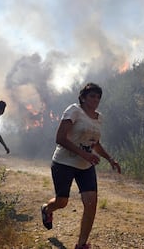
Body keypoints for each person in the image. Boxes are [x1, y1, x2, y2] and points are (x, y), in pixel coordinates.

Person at [41, 83, 121, 249]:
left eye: (98, 97)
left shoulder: (99, 118)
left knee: (91, 203)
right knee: (62, 202)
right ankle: (47, 209)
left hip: (86, 166)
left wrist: (110, 159)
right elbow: (60, 138)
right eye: (92, 96)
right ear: (83, 97)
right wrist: (84, 154)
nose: (96, 99)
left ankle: (81, 244)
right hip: (64, 163)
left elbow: (95, 144)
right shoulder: (74, 110)